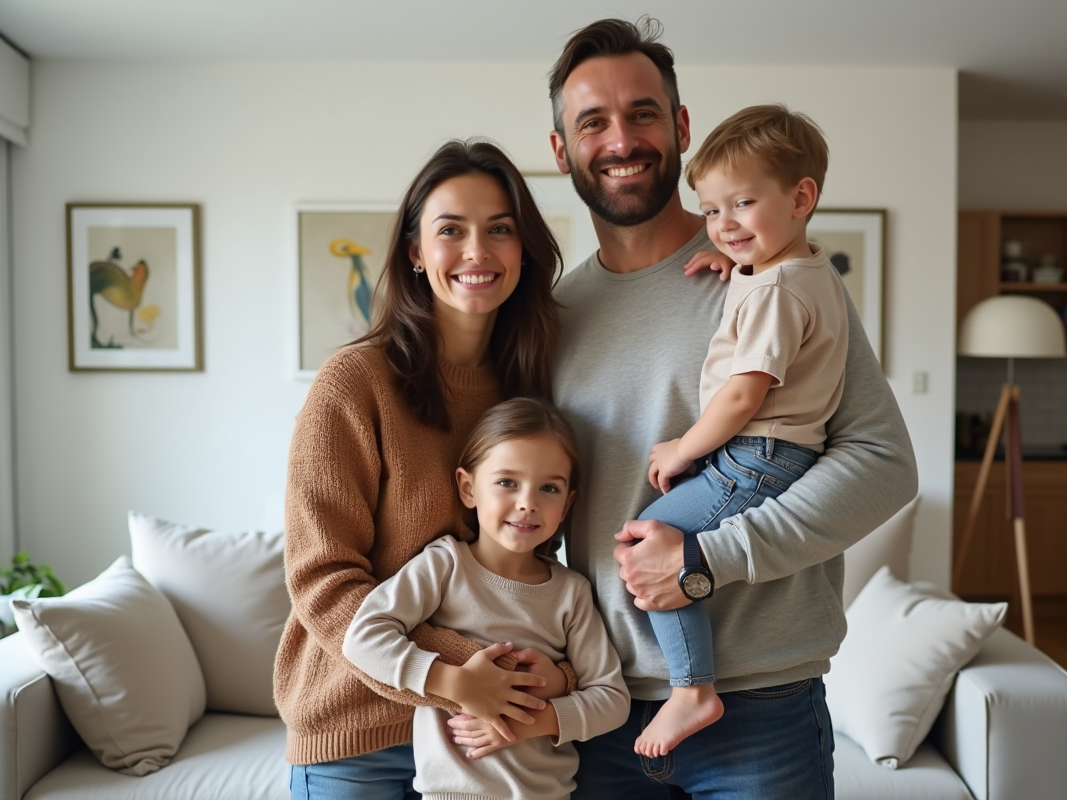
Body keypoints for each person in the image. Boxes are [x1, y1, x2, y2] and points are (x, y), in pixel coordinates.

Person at [511, 16, 916, 799]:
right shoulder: (548, 318)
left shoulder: (770, 276)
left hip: (762, 707)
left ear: (681, 126)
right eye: (593, 122)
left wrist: (703, 564)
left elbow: (884, 466)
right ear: (561, 149)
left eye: (643, 113)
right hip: (598, 704)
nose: (621, 139)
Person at [274, 139, 578, 800]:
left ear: (524, 249)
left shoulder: (532, 391)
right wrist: (463, 673)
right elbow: (322, 580)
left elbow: (531, 569)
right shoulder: (355, 382)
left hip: (490, 740)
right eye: (451, 230)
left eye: (500, 229)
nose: (477, 251)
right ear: (415, 251)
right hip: (362, 733)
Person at [633, 103, 850, 758]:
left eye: (743, 205)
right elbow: (777, 300)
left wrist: (681, 448)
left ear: (801, 198)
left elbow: (742, 396)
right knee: (657, 540)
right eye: (711, 211)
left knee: (645, 543)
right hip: (775, 454)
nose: (724, 225)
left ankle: (692, 689)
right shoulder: (798, 271)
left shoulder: (775, 292)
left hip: (757, 454)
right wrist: (739, 271)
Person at [342, 397, 630, 800]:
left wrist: (535, 721)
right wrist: (456, 683)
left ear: (567, 504)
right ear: (468, 488)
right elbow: (362, 638)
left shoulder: (572, 593)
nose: (528, 502)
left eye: (549, 488)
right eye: (507, 482)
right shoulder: (444, 566)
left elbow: (612, 700)